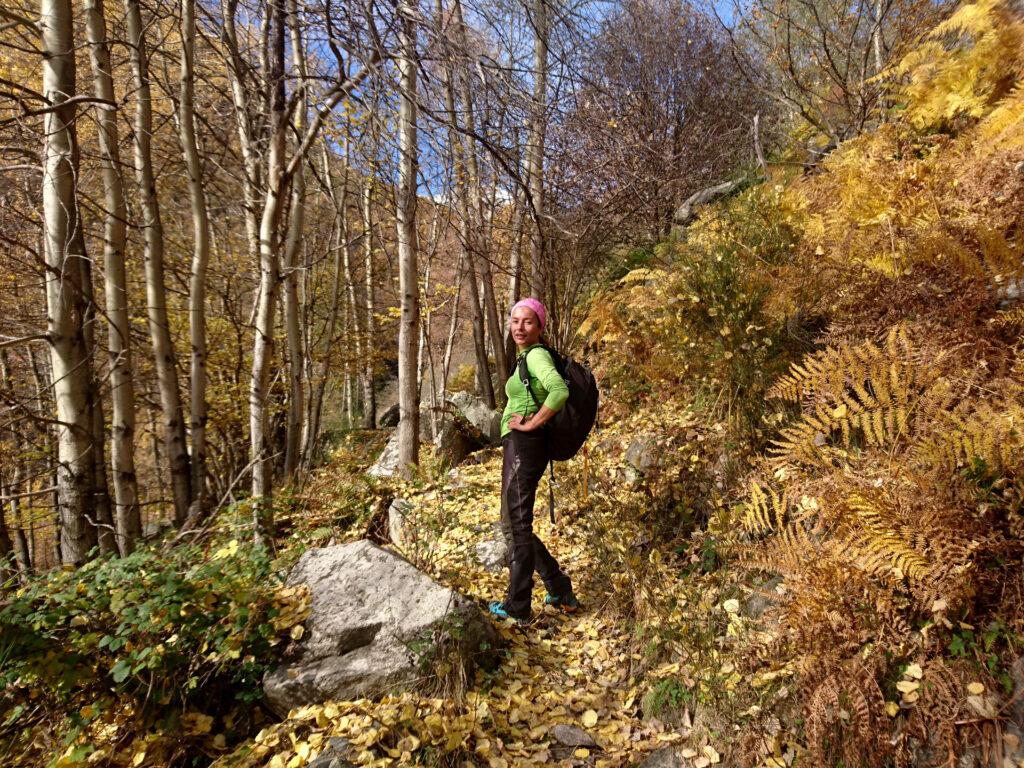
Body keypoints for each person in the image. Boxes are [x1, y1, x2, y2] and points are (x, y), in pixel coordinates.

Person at [488, 298, 580, 624]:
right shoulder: (527, 357)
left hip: (525, 445)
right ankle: (559, 587)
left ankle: (518, 607)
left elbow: (558, 391)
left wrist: (530, 423)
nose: (519, 327)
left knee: (518, 525)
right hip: (524, 446)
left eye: (527, 322)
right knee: (514, 523)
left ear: (540, 326)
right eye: (515, 321)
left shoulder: (538, 355)